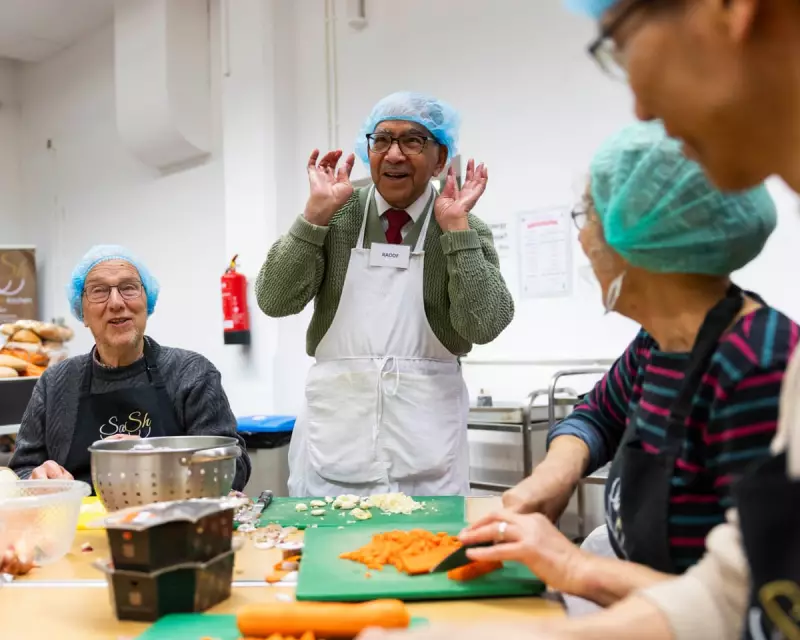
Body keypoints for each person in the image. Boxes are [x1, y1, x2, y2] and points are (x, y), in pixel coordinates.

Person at [357, 120, 796, 640]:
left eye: (590, 217)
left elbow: (752, 605)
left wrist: (571, 565)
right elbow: (597, 414)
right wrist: (551, 479)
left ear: (644, 240)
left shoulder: (758, 368)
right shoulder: (661, 343)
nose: (583, 237)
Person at [256, 91, 514, 497]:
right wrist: (313, 217)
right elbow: (274, 299)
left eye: (413, 141)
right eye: (382, 140)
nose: (394, 154)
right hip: (333, 445)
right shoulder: (334, 215)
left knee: (427, 540)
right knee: (328, 537)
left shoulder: (463, 225)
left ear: (440, 160)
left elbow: (484, 325)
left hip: (428, 455)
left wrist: (457, 234)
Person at [10, 245, 252, 491]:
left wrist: (158, 459)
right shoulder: (55, 383)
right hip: (79, 515)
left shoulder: (191, 373)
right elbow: (21, 470)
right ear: (82, 312)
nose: (116, 302)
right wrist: (37, 479)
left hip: (171, 514)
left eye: (128, 288)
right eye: (99, 291)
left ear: (147, 302)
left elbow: (235, 468)